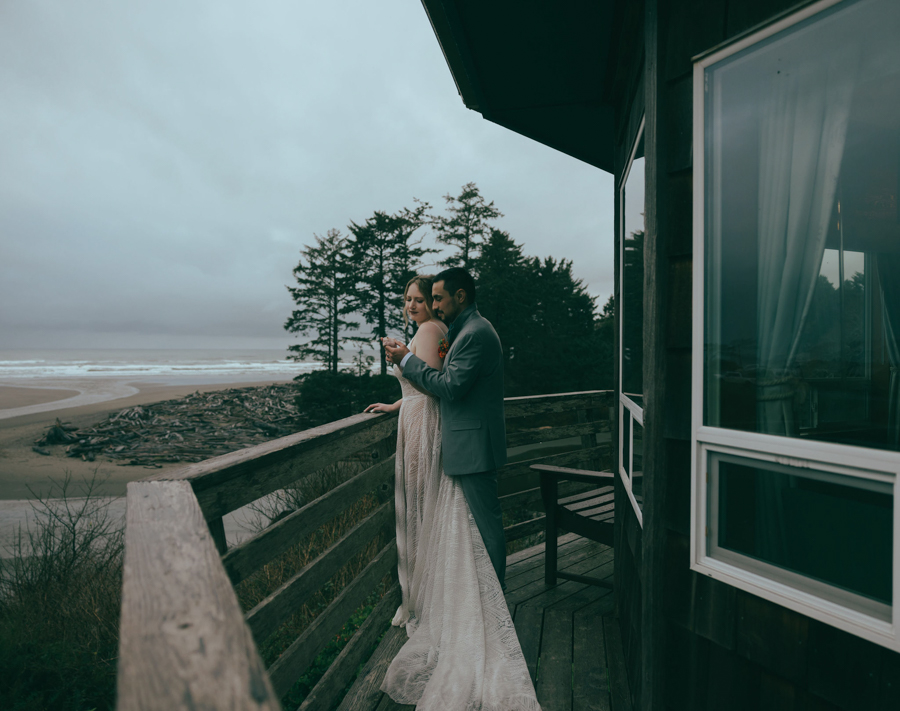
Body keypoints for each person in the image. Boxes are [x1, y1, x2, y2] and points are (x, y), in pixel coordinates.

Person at [377, 267, 540, 710]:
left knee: (485, 530)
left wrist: (404, 362)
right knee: (471, 531)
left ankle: (492, 610)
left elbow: (447, 387)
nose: (433, 304)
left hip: (473, 446)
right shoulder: (465, 330)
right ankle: (480, 607)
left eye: (438, 297)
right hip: (464, 443)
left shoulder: (476, 334)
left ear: (459, 295)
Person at [364, 274, 447, 628]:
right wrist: (396, 404)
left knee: (419, 501)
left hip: (422, 425)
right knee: (422, 501)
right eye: (407, 299)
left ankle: (425, 596)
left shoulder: (429, 330)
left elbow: (429, 383)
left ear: (432, 301)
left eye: (419, 299)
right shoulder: (432, 329)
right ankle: (427, 590)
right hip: (413, 416)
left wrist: (401, 356)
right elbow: (419, 387)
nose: (411, 305)